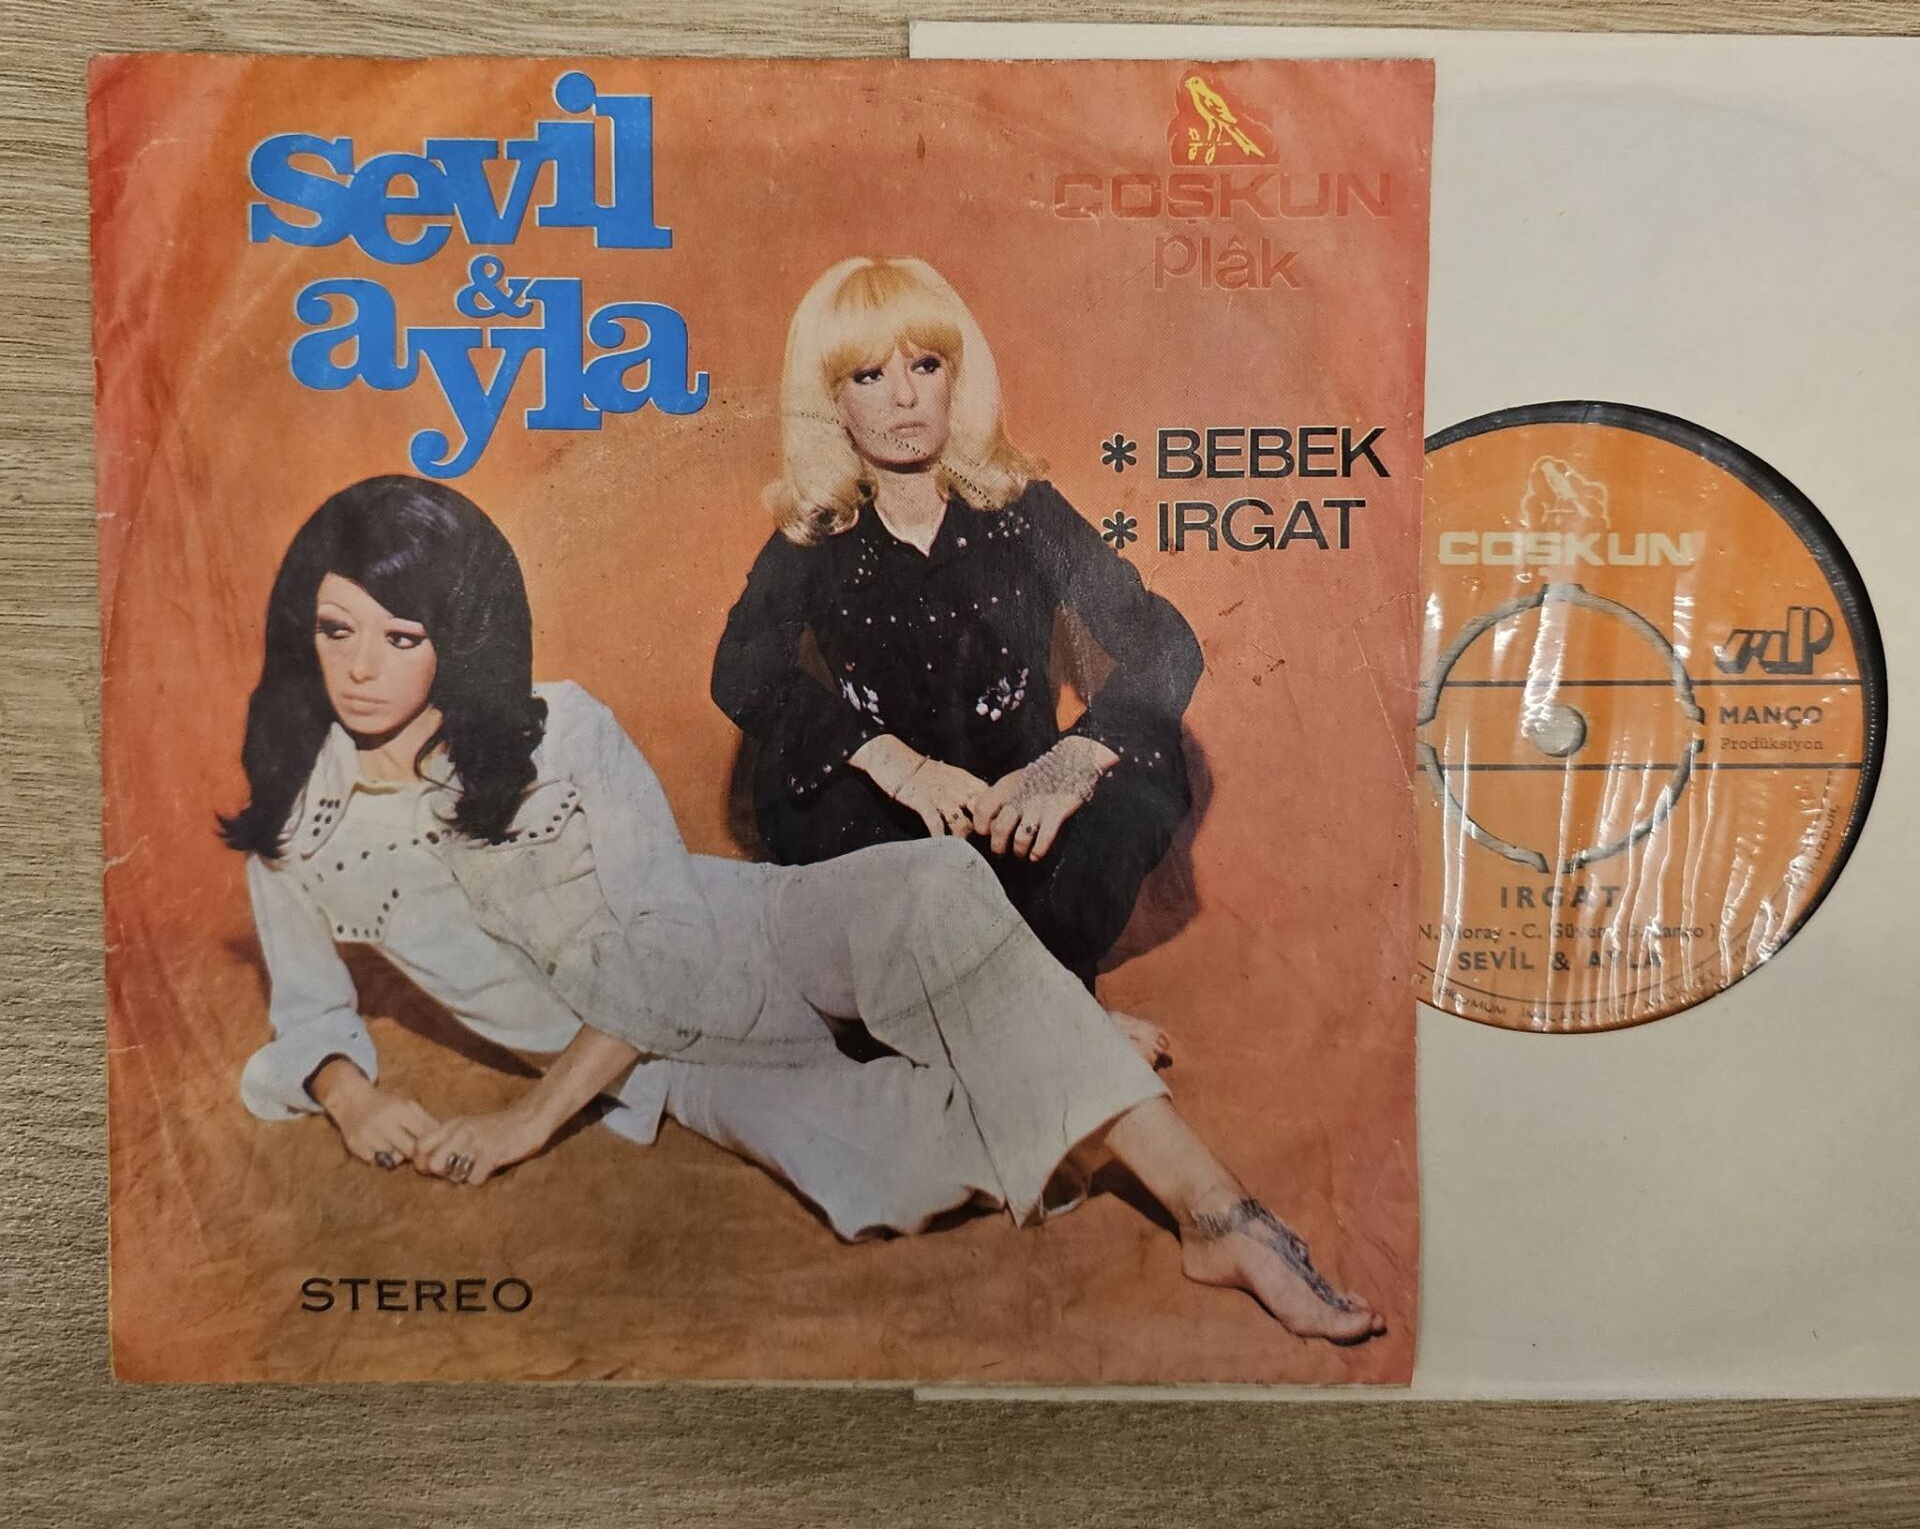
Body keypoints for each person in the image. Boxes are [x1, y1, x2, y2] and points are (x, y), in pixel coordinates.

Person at [223, 476, 1382, 1343]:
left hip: (753, 932)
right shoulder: (298, 830)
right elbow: (311, 1013)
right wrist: (353, 1099)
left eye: (401, 637)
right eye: (336, 629)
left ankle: (1219, 1218)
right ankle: (1040, 1035)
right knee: (878, 1177)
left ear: (458, 636)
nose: (360, 668)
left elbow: (668, 946)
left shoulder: (558, 727)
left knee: (936, 885)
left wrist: (525, 1124)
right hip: (678, 1067)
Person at [712, 258, 1201, 1058]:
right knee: (805, 787)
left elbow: (1164, 643)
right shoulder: (820, 531)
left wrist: (1069, 764)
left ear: (956, 377)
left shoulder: (1022, 509)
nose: (904, 399)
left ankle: (1012, 1007)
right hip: (892, 830)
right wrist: (897, 765)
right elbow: (742, 670)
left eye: (926, 366)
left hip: (1020, 828)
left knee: (1149, 761)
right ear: (830, 402)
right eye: (869, 376)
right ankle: (1055, 1020)